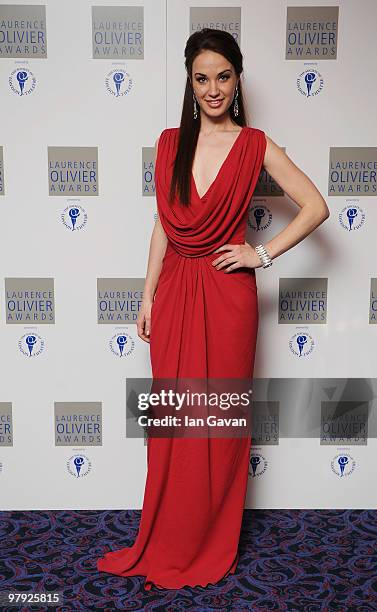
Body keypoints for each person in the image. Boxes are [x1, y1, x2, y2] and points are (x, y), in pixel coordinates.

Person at [97, 28, 329, 590]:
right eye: (201, 78)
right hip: (175, 291)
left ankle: (207, 540)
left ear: (237, 78)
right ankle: (168, 535)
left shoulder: (254, 145)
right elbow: (163, 226)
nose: (213, 89)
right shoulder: (170, 142)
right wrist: (147, 294)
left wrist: (260, 253)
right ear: (189, 81)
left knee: (218, 425)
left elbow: (316, 206)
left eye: (222, 76)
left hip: (228, 297)